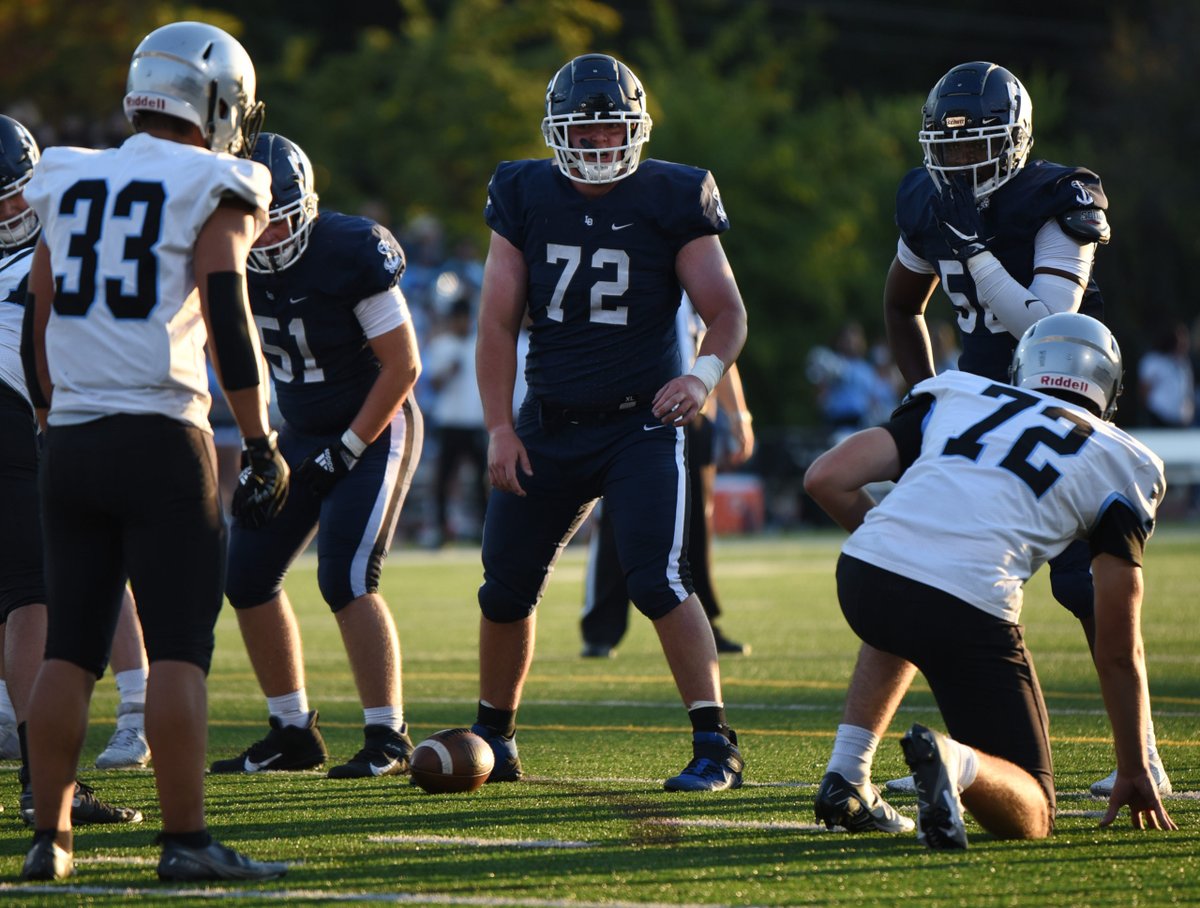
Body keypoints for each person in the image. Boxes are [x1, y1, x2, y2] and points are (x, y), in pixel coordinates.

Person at [813, 61, 1169, 834]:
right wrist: (922, 391)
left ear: (1014, 142)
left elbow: (1046, 315)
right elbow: (901, 302)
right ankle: (851, 767)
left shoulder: (1056, 199)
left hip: (1055, 386)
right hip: (971, 399)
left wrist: (974, 252)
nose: (960, 162)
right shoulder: (929, 200)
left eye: (977, 145)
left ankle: (1141, 749)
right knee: (921, 557)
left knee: (1084, 588)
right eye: (948, 147)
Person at [19, 21, 289, 881]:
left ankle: (48, 842)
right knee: (177, 648)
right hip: (161, 435)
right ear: (213, 104)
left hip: (71, 438)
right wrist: (259, 439)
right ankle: (185, 843)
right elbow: (227, 315)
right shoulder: (216, 180)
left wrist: (51, 416)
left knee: (70, 649)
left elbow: (38, 315)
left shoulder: (69, 173)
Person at [472, 53, 749, 792]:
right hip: (549, 423)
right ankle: (494, 736)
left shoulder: (674, 193)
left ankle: (716, 743)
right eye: (583, 133)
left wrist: (702, 376)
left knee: (657, 577)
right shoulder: (523, 190)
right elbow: (497, 323)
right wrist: (500, 427)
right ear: (556, 132)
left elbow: (725, 311)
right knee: (504, 588)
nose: (597, 147)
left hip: (641, 423)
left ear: (636, 129)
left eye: (609, 132)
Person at [805, 312, 1176, 848]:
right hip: (966, 604)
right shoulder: (1124, 460)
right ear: (1108, 388)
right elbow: (1119, 648)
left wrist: (895, 538)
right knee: (1035, 811)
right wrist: (1135, 765)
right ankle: (955, 762)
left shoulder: (959, 394)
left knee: (909, 588)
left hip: (863, 578)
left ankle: (847, 775)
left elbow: (826, 477)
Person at [211, 132, 422, 780]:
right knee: (245, 578)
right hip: (297, 433)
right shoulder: (222, 253)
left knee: (347, 578)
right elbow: (223, 345)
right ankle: (292, 730)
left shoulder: (347, 250)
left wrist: (350, 448)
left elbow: (402, 365)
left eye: (282, 221)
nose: (270, 237)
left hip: (376, 425)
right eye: (259, 223)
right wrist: (260, 445)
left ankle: (388, 735)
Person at [0, 113, 144, 826]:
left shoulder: (63, 237)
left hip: (39, 423)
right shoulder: (61, 245)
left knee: (31, 600)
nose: (8, 212)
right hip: (24, 426)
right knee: (36, 603)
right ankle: (44, 783)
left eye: (13, 195)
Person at [580, 296, 755, 657]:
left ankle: (705, 624)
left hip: (694, 416)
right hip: (636, 417)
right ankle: (601, 629)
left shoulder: (698, 285)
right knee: (616, 522)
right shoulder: (641, 267)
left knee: (696, 529)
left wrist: (739, 415)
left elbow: (717, 348)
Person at [424, 293, 488, 546]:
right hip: (450, 421)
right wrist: (449, 371)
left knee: (482, 478)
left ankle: (485, 529)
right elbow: (434, 384)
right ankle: (440, 529)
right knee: (443, 478)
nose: (462, 323)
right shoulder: (442, 345)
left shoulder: (478, 343)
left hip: (473, 421)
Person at [1138, 320, 1194, 428]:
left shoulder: (1183, 363)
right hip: (1158, 418)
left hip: (1180, 420)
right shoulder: (1153, 360)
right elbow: (1144, 391)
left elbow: (1187, 390)